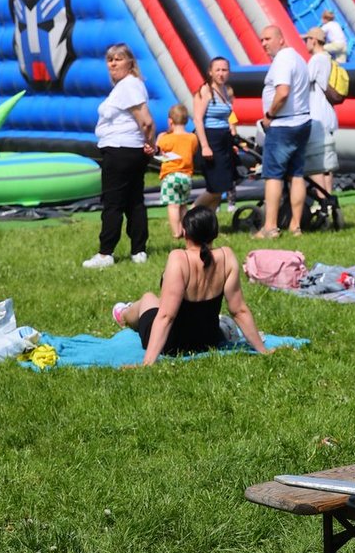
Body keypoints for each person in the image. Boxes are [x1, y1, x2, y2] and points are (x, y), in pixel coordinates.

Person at [113, 205, 270, 363]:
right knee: (163, 303)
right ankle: (126, 311)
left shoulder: (179, 258)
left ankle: (123, 314)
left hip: (172, 345)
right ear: (214, 232)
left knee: (148, 298)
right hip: (209, 340)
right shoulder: (226, 256)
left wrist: (147, 364)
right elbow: (239, 310)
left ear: (186, 232)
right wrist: (263, 351)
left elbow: (166, 316)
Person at [84, 44, 155, 269]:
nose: (113, 63)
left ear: (130, 63)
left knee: (113, 203)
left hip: (120, 149)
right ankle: (139, 250)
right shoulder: (129, 86)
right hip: (129, 149)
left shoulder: (129, 86)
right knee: (134, 201)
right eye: (110, 60)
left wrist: (150, 143)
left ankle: (106, 253)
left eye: (118, 59)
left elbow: (146, 120)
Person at [256, 25, 312, 239]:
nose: (264, 44)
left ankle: (270, 226)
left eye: (268, 38)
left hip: (283, 124)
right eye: (261, 40)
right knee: (296, 174)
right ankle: (295, 226)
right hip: (302, 121)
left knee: (273, 175)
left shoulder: (282, 60)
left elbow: (282, 92)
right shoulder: (298, 58)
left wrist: (269, 115)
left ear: (281, 39)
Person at [192, 56, 235, 213]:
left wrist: (232, 130)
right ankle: (192, 213)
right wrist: (205, 146)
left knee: (223, 185)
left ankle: (209, 222)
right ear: (210, 72)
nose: (221, 73)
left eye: (224, 70)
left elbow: (229, 115)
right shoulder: (207, 90)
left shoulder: (226, 91)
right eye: (217, 70)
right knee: (215, 188)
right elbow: (198, 119)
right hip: (211, 139)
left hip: (224, 139)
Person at [303, 25, 338, 196]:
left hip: (318, 115)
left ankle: (322, 199)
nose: (305, 43)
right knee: (327, 163)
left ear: (314, 40)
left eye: (307, 39)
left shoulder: (316, 60)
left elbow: (303, 81)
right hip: (328, 114)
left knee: (316, 161)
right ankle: (328, 196)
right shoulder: (329, 58)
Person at [156, 104, 198, 239]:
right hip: (186, 176)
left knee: (173, 206)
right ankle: (186, 230)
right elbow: (193, 151)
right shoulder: (192, 137)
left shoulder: (165, 138)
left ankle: (176, 232)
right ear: (186, 120)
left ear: (170, 121)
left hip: (170, 176)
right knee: (183, 204)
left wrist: (160, 138)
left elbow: (158, 151)